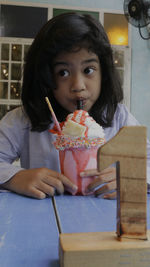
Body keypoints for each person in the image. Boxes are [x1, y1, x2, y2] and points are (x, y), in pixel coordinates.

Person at [0, 12, 150, 199]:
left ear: (103, 72)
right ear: (46, 76)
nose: (78, 85)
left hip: (103, 223)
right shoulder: (23, 120)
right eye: (63, 72)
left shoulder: (118, 117)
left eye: (88, 70)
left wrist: (136, 176)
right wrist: (14, 177)